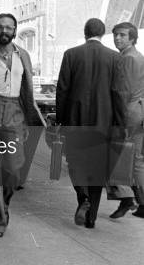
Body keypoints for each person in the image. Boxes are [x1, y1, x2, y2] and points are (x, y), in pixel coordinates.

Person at [0, 13, 44, 237]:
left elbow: (27, 89)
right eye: (0, 27)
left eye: (8, 27)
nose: (4, 31)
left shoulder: (23, 55)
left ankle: (3, 205)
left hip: (15, 113)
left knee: (13, 171)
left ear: (14, 30)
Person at [56, 18, 125, 229]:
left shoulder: (71, 54)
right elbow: (118, 93)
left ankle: (83, 197)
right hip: (103, 122)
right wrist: (120, 124)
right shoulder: (115, 58)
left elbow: (62, 90)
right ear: (102, 33)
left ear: (85, 32)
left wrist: (60, 119)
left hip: (76, 120)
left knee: (76, 163)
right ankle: (91, 218)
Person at [107, 22, 144, 219]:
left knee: (118, 157)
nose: (117, 38)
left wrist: (118, 119)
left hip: (128, 114)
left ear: (132, 38)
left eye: (122, 35)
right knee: (136, 159)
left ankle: (127, 198)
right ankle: (139, 202)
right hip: (138, 112)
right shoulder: (138, 57)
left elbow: (123, 92)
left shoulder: (128, 58)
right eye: (115, 35)